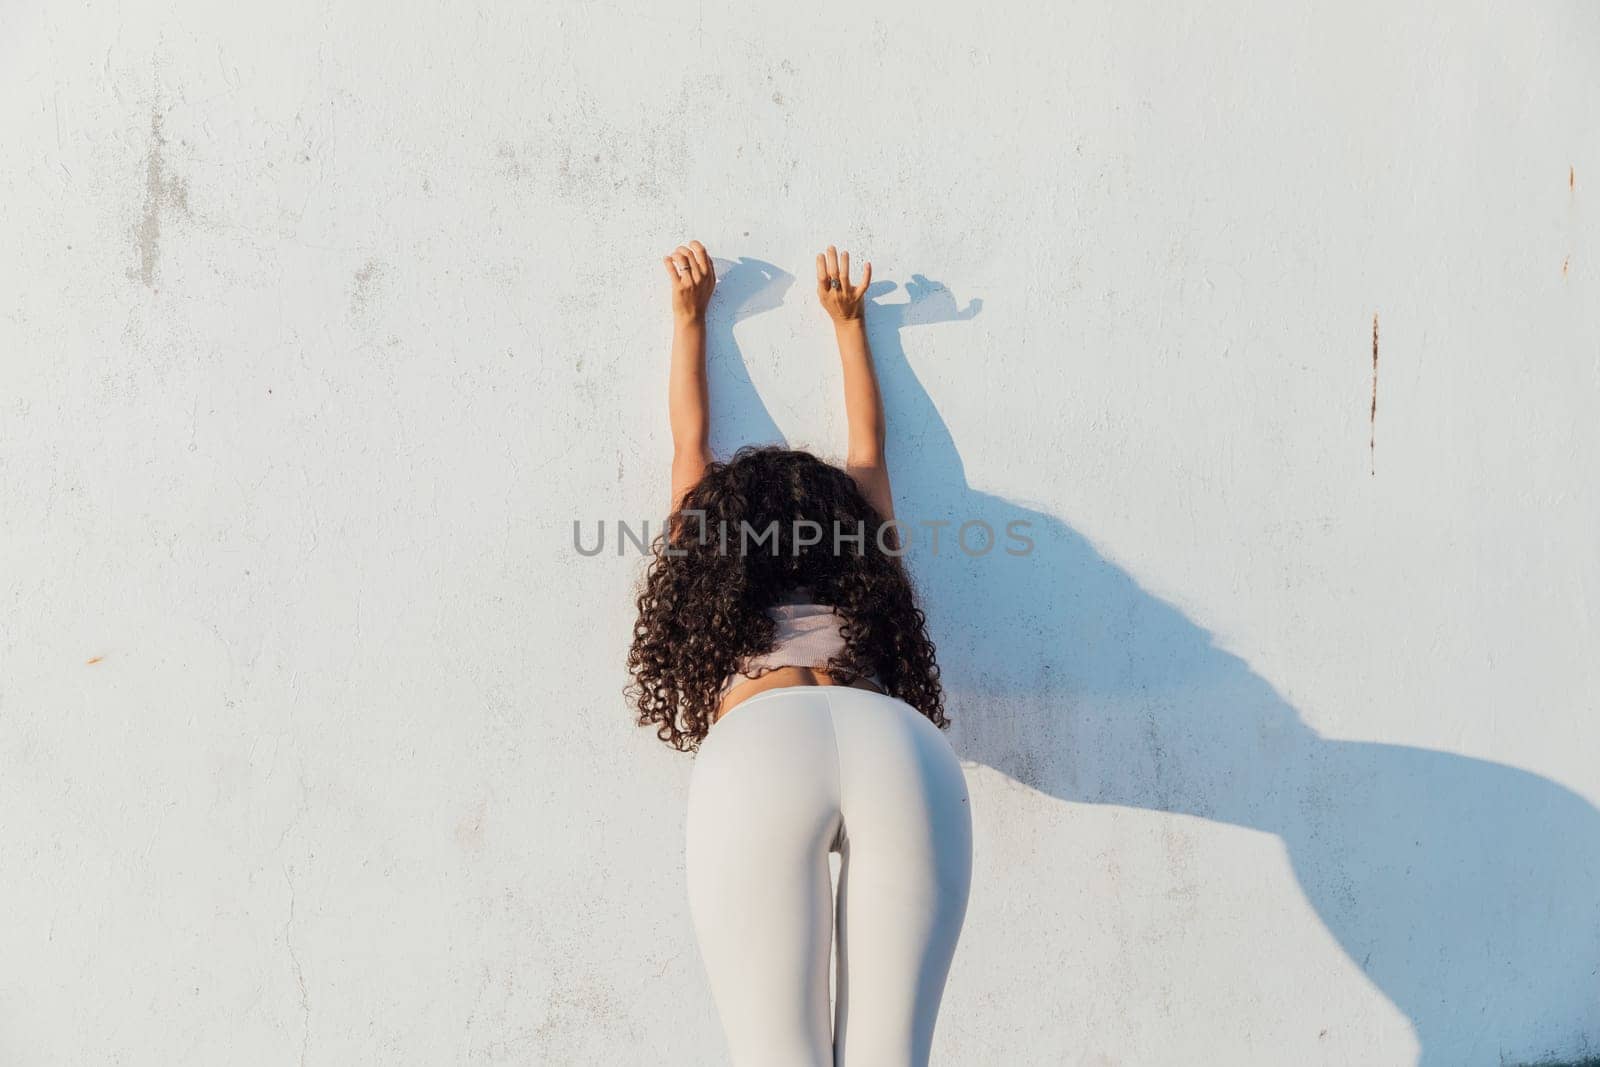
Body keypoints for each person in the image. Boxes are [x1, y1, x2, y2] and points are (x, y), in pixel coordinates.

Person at [625, 240, 974, 1066]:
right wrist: (849, 324)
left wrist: (690, 319)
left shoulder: (707, 543)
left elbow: (689, 442)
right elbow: (869, 448)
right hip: (899, 745)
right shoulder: (862, 544)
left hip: (763, 746)